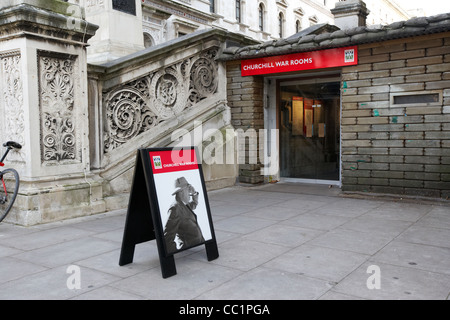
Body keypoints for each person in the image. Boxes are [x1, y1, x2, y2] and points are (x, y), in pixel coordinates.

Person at [163, 177, 205, 254]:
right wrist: (179, 254)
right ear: (181, 191)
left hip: (197, 249)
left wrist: (194, 193)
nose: (189, 191)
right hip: (190, 252)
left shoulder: (183, 204)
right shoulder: (175, 209)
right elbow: (167, 238)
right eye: (188, 189)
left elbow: (194, 205)